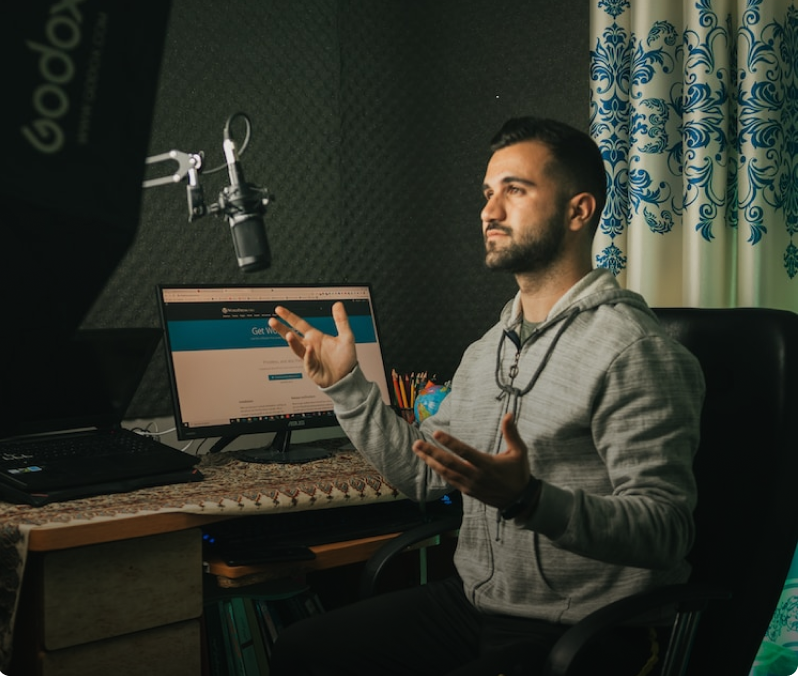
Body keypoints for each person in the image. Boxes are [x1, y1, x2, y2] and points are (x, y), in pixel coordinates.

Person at [266, 117, 705, 675]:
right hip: (477, 604)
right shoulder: (486, 351)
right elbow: (426, 474)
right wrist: (348, 389)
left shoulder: (634, 351)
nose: (488, 212)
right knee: (303, 652)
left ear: (579, 210)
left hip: (590, 628)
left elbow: (667, 531)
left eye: (514, 191)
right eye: (487, 193)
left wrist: (529, 499)